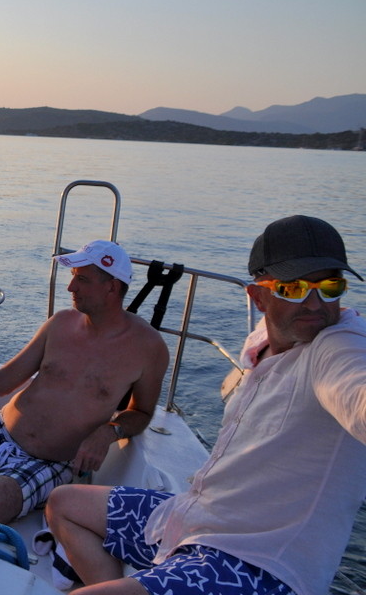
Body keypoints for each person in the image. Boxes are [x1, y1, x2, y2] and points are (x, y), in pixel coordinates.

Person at [45, 215, 366, 595]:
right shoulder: (265, 341)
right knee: (64, 503)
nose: (316, 303)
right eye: (293, 288)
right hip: (198, 516)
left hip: (256, 566)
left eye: (331, 286)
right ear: (258, 296)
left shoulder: (338, 347)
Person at [0, 239, 168, 528]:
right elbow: (3, 381)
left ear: (112, 287)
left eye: (82, 280)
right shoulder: (60, 323)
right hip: (0, 429)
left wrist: (109, 432)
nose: (71, 289)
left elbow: (142, 413)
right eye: (72, 279)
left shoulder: (148, 348)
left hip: (54, 461)